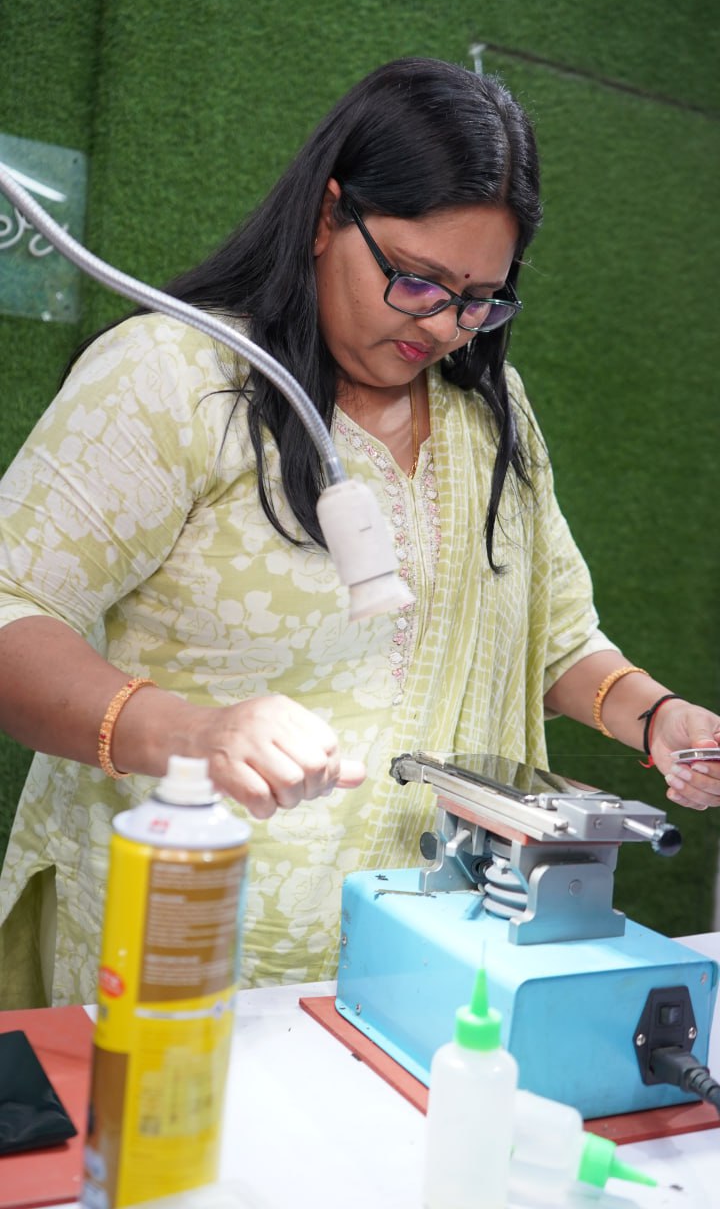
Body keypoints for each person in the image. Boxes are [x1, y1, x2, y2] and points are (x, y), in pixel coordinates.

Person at [0, 57, 718, 1010]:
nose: (448, 327)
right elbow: (13, 608)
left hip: (428, 961)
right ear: (327, 215)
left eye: (481, 298)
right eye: (418, 282)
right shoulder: (176, 375)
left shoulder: (490, 414)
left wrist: (658, 718)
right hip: (188, 952)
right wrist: (195, 732)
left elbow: (553, 639)